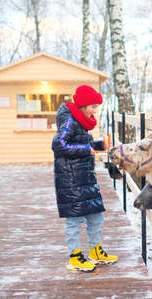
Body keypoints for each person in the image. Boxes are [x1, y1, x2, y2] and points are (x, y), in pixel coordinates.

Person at [52, 85, 118, 272]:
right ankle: (75, 257)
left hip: (85, 176)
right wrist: (84, 149)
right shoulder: (70, 121)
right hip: (71, 178)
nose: (95, 110)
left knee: (95, 216)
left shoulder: (81, 121)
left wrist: (97, 144)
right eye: (92, 106)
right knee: (75, 219)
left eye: (96, 106)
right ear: (82, 105)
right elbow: (59, 144)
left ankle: (96, 251)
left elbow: (79, 141)